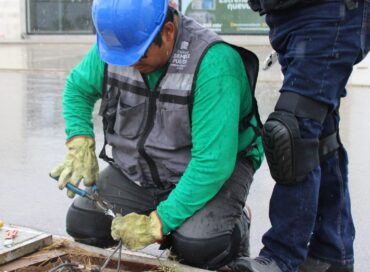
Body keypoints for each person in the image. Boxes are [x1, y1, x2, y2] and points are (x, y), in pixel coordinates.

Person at [49, 0, 264, 270]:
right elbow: (77, 89)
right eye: (122, 57)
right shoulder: (119, 48)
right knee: (85, 223)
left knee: (196, 247)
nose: (130, 64)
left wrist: (157, 223)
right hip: (142, 170)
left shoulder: (214, 64)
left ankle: (237, 222)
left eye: (139, 56)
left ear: (169, 31)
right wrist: (80, 140)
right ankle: (171, 211)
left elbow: (212, 163)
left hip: (211, 172)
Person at [230, 0, 370, 272]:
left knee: (293, 131)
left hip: (328, 11)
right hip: (290, 16)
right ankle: (331, 254)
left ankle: (282, 256)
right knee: (321, 136)